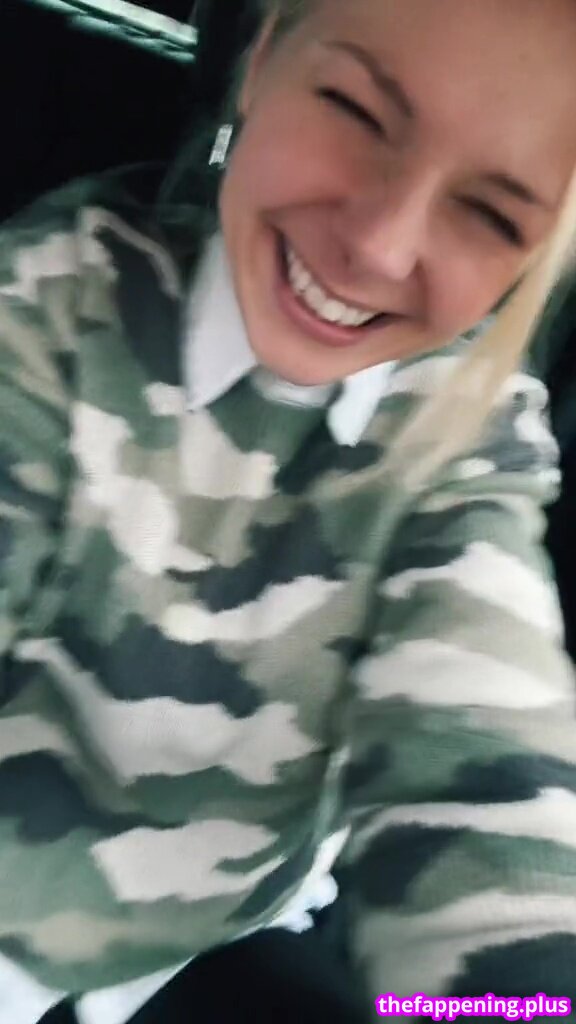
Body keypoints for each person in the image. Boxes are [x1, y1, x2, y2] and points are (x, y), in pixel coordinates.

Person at [2, 0, 576, 1021]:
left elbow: (484, 758)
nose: (380, 246)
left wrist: (502, 1006)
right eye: (356, 110)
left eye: (490, 216)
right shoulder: (52, 302)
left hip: (227, 916)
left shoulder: (466, 440)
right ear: (260, 60)